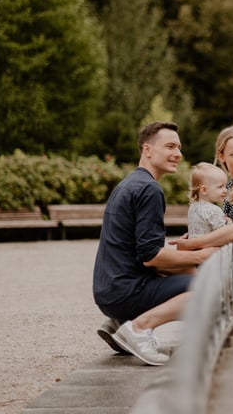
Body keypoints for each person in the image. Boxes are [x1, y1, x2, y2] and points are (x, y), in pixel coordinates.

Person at [92, 121, 217, 365]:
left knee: (185, 270)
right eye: (170, 146)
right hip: (125, 292)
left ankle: (118, 324)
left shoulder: (129, 183)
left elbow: (141, 250)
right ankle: (139, 328)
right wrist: (201, 256)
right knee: (210, 286)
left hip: (107, 290)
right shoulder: (149, 189)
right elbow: (151, 257)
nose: (178, 153)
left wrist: (184, 251)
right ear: (147, 150)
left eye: (179, 148)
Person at [187, 162, 232, 238]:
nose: (225, 190)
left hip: (194, 243)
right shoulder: (213, 210)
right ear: (204, 190)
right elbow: (224, 234)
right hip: (209, 245)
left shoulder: (193, 207)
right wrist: (230, 222)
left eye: (225, 186)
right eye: (220, 187)